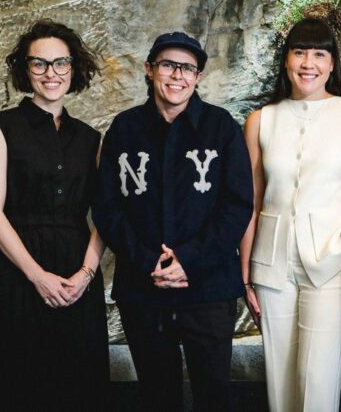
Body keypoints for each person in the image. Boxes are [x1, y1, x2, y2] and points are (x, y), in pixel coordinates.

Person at [91, 31, 253, 412]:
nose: (177, 75)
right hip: (143, 289)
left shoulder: (222, 127)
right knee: (155, 394)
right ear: (150, 70)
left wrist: (188, 260)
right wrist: (150, 261)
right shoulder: (124, 129)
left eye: (187, 68)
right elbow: (106, 206)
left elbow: (238, 205)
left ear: (197, 77)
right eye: (168, 65)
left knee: (214, 394)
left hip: (209, 288)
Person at [239, 18, 341, 412]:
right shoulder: (260, 120)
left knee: (317, 380)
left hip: (331, 261)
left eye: (319, 53)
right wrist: (245, 270)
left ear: (332, 64)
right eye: (299, 51)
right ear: (286, 60)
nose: (308, 62)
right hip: (270, 264)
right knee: (279, 381)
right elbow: (251, 201)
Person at [0, 19, 109, 411]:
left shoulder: (90, 138)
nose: (51, 73)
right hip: (21, 271)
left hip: (76, 273)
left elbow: (104, 214)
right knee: (20, 383)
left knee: (78, 385)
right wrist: (37, 276)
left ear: (74, 68)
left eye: (60, 63)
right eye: (40, 64)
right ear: (25, 68)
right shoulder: (0, 127)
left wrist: (85, 274)